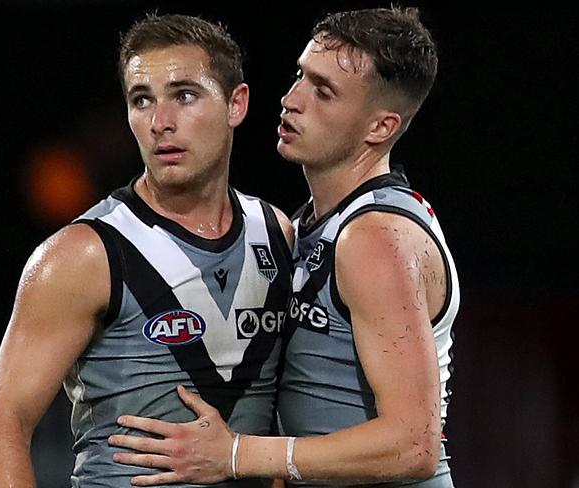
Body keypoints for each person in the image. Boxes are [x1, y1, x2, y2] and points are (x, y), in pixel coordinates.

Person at [106, 6, 460, 488]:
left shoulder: (376, 238)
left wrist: (235, 454)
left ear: (380, 128)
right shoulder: (309, 225)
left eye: (324, 92)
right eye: (300, 76)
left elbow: (414, 446)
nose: (291, 99)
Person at [0, 13, 294, 488]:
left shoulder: (276, 232)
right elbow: (0, 426)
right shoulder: (82, 254)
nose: (161, 122)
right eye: (142, 100)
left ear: (236, 104)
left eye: (185, 95)